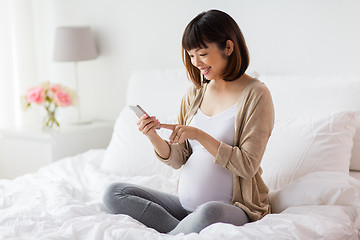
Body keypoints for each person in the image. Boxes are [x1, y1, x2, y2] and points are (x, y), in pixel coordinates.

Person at [103, 9, 274, 235]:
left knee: (208, 213)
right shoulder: (195, 94)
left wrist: (199, 134)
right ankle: (182, 231)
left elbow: (247, 165)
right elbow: (178, 159)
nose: (196, 63)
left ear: (229, 47)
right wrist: (153, 136)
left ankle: (175, 233)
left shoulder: (256, 94)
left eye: (202, 54)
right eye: (191, 55)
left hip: (233, 208)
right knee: (114, 193)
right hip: (185, 208)